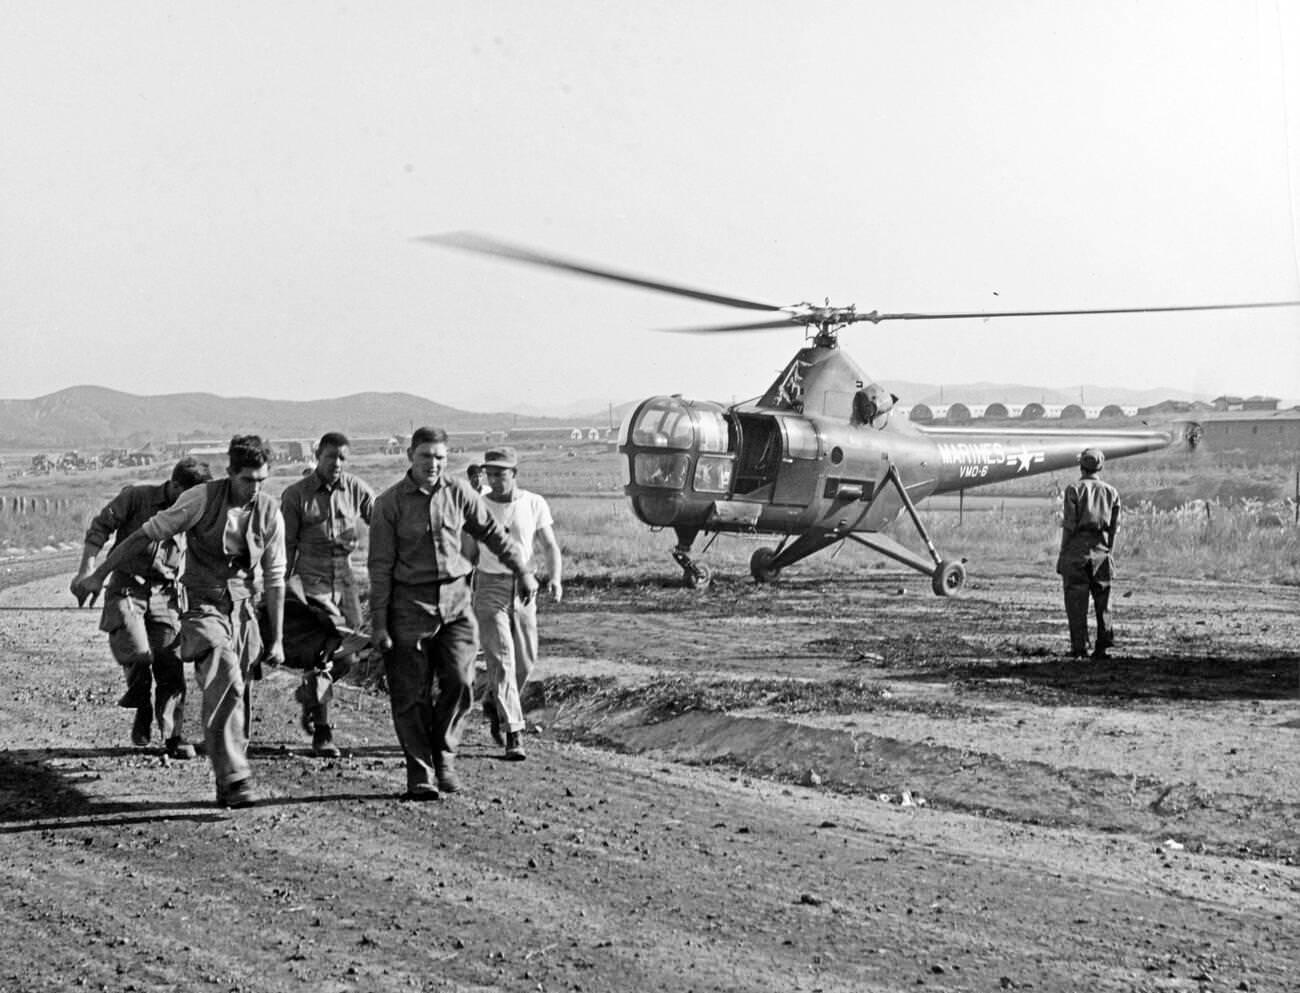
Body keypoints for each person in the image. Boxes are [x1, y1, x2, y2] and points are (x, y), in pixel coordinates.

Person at [74, 435, 286, 809]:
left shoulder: (269, 512)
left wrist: (278, 639)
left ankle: (226, 780)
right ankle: (235, 774)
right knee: (224, 675)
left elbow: (275, 578)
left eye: (261, 481)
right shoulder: (200, 498)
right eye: (247, 480)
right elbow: (143, 535)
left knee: (238, 689)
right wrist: (98, 574)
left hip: (241, 609)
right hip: (199, 604)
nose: (254, 489)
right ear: (231, 472)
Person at [368, 426, 536, 800]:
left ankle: (444, 754)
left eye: (441, 457)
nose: (434, 464)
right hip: (408, 606)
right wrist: (379, 624)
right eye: (426, 456)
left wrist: (522, 570)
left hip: (457, 604)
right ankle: (420, 773)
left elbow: (492, 532)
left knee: (460, 683)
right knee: (410, 694)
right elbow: (379, 568)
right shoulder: (389, 504)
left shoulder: (459, 492)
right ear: (410, 455)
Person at [71, 457, 213, 757]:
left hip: (166, 592)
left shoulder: (197, 511)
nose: (195, 502)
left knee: (170, 663)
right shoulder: (136, 497)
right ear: (175, 486)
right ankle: (142, 704)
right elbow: (100, 528)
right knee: (137, 652)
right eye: (189, 494)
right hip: (127, 587)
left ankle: (173, 737)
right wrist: (87, 571)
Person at [279, 431, 375, 757]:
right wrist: (280, 589)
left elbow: (382, 521)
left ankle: (310, 695)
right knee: (324, 655)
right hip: (312, 587)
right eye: (331, 457)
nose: (337, 464)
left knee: (348, 656)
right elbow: (286, 547)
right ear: (318, 456)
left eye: (343, 458)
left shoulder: (357, 489)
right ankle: (322, 732)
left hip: (346, 586)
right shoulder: (296, 495)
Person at [470, 446, 562, 761]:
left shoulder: (534, 503)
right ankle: (514, 732)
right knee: (502, 657)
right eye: (489, 474)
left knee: (526, 660)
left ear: (514, 474)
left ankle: (494, 701)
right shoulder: (477, 506)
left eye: (501, 473)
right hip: (490, 587)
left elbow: (549, 545)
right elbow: (467, 551)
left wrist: (556, 578)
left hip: (525, 590)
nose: (494, 480)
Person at [1055, 447, 1120, 660]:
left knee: (1076, 601)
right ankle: (1103, 646)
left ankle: (1079, 647)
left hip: (1076, 551)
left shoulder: (1073, 489)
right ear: (1100, 466)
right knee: (1104, 602)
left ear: (1081, 466)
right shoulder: (1111, 492)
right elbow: (1114, 529)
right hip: (1102, 550)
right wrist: (1109, 552)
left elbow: (1069, 526)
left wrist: (1062, 553)